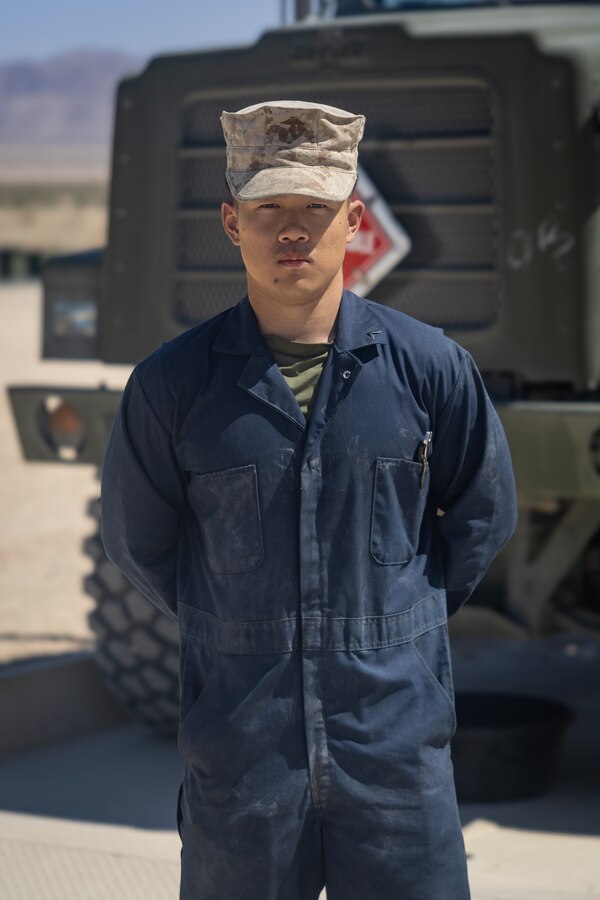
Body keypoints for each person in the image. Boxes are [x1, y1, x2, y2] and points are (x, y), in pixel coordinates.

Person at [101, 99, 518, 900]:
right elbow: (142, 543)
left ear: (353, 219)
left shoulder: (429, 371)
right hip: (243, 757)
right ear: (231, 222)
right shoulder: (173, 386)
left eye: (315, 209)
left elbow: (478, 520)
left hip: (395, 752)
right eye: (268, 209)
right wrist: (240, 624)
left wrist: (392, 623)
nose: (291, 230)